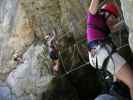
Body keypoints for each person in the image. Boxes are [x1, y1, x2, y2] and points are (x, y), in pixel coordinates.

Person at [86, 0, 133, 99]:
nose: (114, 22)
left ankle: (116, 87)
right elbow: (94, 3)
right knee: (132, 82)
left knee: (118, 77)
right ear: (106, 13)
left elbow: (117, 26)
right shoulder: (93, 17)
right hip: (101, 52)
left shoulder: (103, 24)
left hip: (96, 56)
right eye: (113, 18)